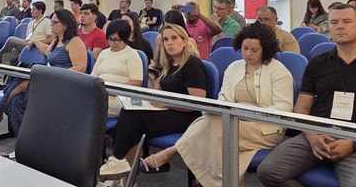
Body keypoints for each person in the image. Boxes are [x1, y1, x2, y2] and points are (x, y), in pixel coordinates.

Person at [257, 3, 356, 186]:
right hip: (317, 136)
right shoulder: (317, 63)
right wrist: (312, 136)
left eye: (347, 21)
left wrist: (353, 142)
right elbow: (301, 108)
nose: (340, 26)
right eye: (334, 22)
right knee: (268, 171)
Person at [141, 22, 294, 187]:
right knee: (210, 121)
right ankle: (219, 182)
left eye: (254, 50)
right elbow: (224, 98)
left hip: (266, 128)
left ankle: (170, 153)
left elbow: (283, 109)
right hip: (232, 121)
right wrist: (229, 113)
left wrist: (245, 114)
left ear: (265, 49)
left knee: (215, 126)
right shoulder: (234, 68)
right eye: (245, 48)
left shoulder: (278, 71)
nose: (248, 54)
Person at [100, 24, 208, 178]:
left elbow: (198, 103)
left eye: (174, 38)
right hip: (168, 109)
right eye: (165, 39)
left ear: (184, 41)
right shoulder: (170, 64)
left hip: (188, 116)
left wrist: (165, 103)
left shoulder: (192, 64)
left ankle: (121, 163)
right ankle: (126, 170)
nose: (169, 43)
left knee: (134, 118)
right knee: (129, 112)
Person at [0, 9, 87, 136]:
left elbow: (80, 67)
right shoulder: (57, 40)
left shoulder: (75, 41)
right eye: (52, 21)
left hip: (65, 84)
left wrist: (55, 74)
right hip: (52, 81)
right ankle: (24, 138)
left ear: (65, 25)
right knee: (15, 101)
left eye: (55, 22)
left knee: (23, 82)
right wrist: (35, 41)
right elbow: (48, 51)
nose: (51, 24)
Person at [0, 1, 54, 89]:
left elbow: (51, 39)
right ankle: (2, 82)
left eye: (34, 9)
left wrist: (36, 41)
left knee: (11, 39)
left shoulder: (46, 22)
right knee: (6, 56)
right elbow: (28, 37)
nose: (31, 11)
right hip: (27, 45)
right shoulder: (31, 23)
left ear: (40, 11)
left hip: (36, 47)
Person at [91, 20, 144, 116]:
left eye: (117, 40)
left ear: (125, 38)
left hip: (122, 96)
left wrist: (114, 90)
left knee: (94, 106)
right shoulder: (103, 53)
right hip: (102, 94)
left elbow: (137, 82)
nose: (112, 43)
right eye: (110, 39)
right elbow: (93, 77)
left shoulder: (132, 54)